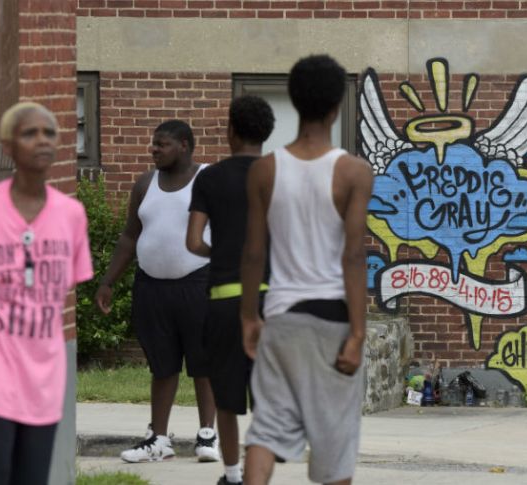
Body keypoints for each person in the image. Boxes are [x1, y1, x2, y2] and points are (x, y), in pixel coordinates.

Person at [239, 54, 373, 485]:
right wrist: (358, 334)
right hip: (332, 317)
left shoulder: (264, 170)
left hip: (281, 315)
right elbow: (354, 255)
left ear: (294, 101)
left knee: (267, 427)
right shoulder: (353, 171)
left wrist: (248, 316)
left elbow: (253, 253)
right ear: (337, 105)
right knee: (334, 439)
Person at [0, 102, 94, 485]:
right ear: (9, 147)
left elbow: (64, 287)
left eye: (49, 133)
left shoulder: (71, 215)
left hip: (42, 375)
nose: (42, 140)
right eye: (30, 133)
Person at [95, 120, 220, 463]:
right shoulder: (144, 183)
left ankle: (207, 436)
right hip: (151, 287)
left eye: (161, 144)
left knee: (203, 361)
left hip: (199, 283)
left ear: (184, 145)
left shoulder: (208, 179)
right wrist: (108, 281)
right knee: (162, 364)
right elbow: (129, 236)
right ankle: (158, 440)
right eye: (154, 144)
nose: (154, 149)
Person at [186, 96, 275, 485]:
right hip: (270, 300)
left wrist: (221, 251)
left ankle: (233, 475)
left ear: (231, 131)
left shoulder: (209, 178)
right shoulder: (279, 176)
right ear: (266, 133)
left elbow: (193, 242)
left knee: (226, 397)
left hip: (223, 301)